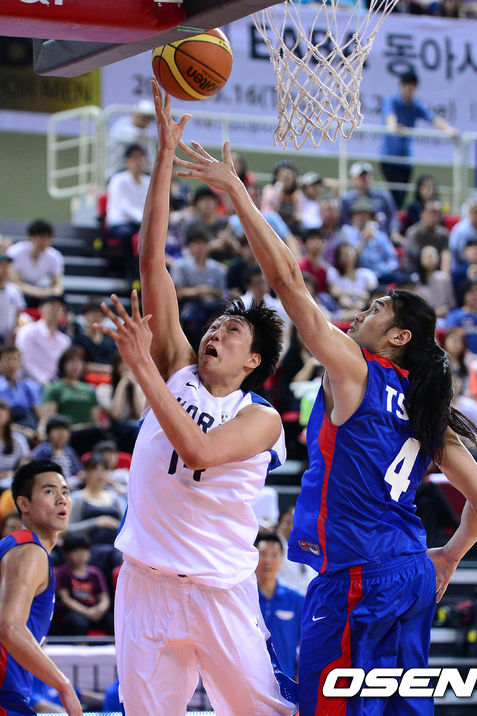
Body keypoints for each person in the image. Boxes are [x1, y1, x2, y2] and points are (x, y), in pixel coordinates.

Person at [174, 134, 477, 716]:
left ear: (398, 337)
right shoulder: (428, 408)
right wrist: (448, 557)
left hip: (358, 575)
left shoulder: (357, 368)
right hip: (411, 574)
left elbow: (289, 284)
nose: (360, 314)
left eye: (375, 311)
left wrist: (238, 193)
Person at [93, 78, 297, 716]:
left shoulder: (260, 419)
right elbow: (152, 262)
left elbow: (199, 451)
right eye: (215, 325)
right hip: (145, 582)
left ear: (254, 361)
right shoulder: (178, 366)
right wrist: (162, 158)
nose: (216, 332)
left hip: (219, 589)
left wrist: (141, 369)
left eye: (233, 331)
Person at [0, 459, 82, 716]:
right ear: (24, 504)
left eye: (65, 492)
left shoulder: (14, 546)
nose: (62, 499)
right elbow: (10, 627)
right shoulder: (29, 551)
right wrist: (63, 685)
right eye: (49, 491)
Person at [380, 70, 459, 209]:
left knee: (402, 195)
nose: (409, 89)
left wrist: (448, 129)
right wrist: (392, 126)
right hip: (389, 156)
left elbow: (432, 118)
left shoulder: (416, 105)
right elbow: (389, 116)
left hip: (406, 158)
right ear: (401, 85)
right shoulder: (391, 101)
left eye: (412, 86)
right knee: (395, 194)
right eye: (406, 85)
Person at [256, 533, 304, 679]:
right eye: (263, 554)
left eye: (274, 555)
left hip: (285, 681)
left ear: (282, 559)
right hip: (249, 682)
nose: (267, 560)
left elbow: (307, 644)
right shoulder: (243, 598)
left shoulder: (297, 600)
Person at [106, 143, 151, 284]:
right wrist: (143, 220)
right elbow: (124, 207)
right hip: (120, 223)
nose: (139, 161)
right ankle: (131, 274)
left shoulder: (148, 181)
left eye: (141, 158)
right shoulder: (118, 180)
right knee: (127, 235)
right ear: (127, 161)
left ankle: (148, 274)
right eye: (134, 158)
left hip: (140, 222)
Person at [54, 533, 113, 636]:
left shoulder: (95, 573)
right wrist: (86, 612)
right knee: (78, 623)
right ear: (66, 554)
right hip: (75, 611)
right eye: (75, 552)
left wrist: (100, 609)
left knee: (112, 621)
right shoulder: (62, 573)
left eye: (84, 551)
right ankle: (80, 645)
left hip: (95, 610)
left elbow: (104, 597)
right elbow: (65, 599)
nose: (81, 555)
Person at [6, 220, 64, 309]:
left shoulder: (55, 256)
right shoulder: (15, 252)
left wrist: (55, 292)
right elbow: (16, 282)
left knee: (58, 301)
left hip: (38, 290)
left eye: (47, 237)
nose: (44, 241)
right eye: (41, 237)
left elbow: (58, 284)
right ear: (31, 237)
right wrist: (39, 292)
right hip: (18, 291)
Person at [15, 295, 71, 386]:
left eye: (59, 307)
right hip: (27, 382)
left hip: (54, 384)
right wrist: (44, 381)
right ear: (40, 308)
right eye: (52, 305)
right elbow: (24, 360)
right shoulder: (28, 331)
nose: (55, 310)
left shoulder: (65, 341)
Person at [106, 99, 157, 179]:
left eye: (149, 119)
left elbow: (151, 159)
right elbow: (136, 137)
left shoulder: (146, 135)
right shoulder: (122, 124)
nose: (146, 121)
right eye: (143, 117)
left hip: (137, 176)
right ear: (135, 114)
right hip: (115, 173)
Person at [0, 254, 25, 344]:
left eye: (7, 266)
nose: (5, 269)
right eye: (2, 266)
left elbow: (18, 313)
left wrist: (15, 330)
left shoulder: (14, 290)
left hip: (9, 337)